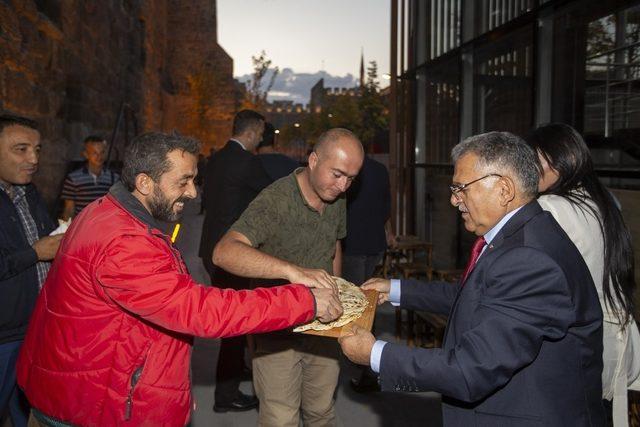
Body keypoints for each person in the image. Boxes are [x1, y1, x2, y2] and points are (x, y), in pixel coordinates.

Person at [16, 132, 342, 426]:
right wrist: (304, 300)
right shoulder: (123, 241)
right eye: (183, 181)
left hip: (84, 386)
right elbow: (197, 310)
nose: (192, 193)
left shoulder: (109, 211)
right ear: (145, 183)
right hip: (90, 405)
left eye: (195, 180)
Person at [339, 131, 605, 426]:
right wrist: (398, 289)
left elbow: (470, 370)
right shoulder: (520, 234)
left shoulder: (530, 259)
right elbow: (474, 295)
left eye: (461, 188)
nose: (454, 200)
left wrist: (375, 354)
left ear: (504, 189)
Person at [213, 128, 364, 426]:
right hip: (278, 332)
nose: (343, 186)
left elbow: (333, 245)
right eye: (337, 174)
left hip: (323, 330)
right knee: (281, 418)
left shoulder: (335, 196)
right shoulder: (275, 200)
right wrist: (292, 271)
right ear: (313, 160)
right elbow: (224, 252)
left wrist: (340, 298)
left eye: (351, 178)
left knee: (321, 412)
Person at [525, 123, 639, 427]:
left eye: (536, 161)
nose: (529, 170)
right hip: (615, 335)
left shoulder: (550, 207)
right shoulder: (604, 201)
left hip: (579, 343)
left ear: (566, 159)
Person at [198, 109, 272, 412]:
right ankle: (225, 397)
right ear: (253, 133)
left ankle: (236, 369)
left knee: (233, 318)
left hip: (209, 248)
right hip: (230, 254)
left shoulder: (216, 158)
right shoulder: (247, 162)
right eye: (260, 135)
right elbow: (272, 193)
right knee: (235, 324)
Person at [0, 115, 62, 427]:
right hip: (3, 337)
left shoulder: (28, 192)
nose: (33, 159)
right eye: (21, 149)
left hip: (35, 327)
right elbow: (32, 250)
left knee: (26, 412)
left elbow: (46, 234)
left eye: (37, 149)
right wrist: (35, 253)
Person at [341, 148, 395, 393]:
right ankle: (365, 366)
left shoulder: (348, 171)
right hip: (374, 244)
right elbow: (386, 209)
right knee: (367, 305)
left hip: (352, 244)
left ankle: (363, 367)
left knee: (355, 306)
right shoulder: (380, 170)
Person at [60, 135, 119, 220]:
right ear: (86, 154)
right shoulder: (73, 179)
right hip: (83, 228)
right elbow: (69, 210)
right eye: (95, 153)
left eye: (102, 152)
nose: (99, 157)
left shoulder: (114, 178)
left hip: (105, 227)